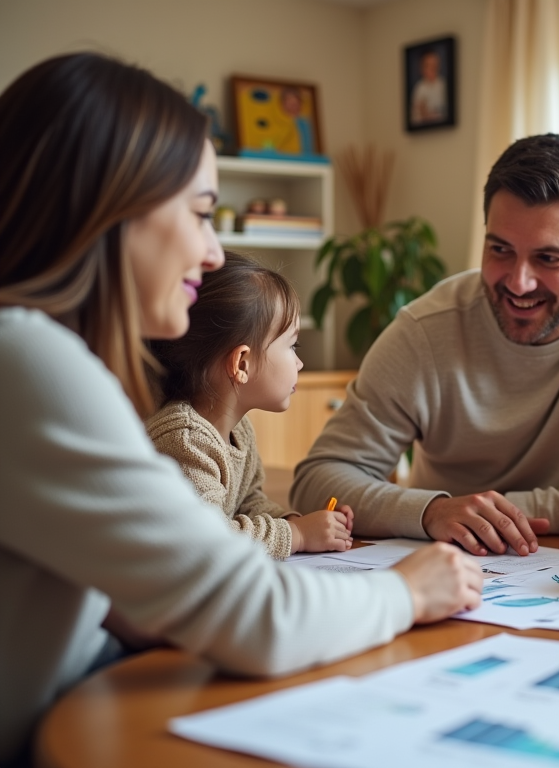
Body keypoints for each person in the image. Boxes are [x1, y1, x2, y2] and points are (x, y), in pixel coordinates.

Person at [0, 52, 481, 766]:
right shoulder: (27, 362)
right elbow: (256, 614)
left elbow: (136, 598)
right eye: (199, 214)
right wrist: (407, 592)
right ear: (112, 210)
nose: (212, 251)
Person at [291, 133, 559, 556]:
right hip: (451, 560)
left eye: (548, 258)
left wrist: (505, 513)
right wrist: (432, 511)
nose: (518, 281)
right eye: (500, 249)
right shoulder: (425, 330)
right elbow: (317, 481)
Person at [147, 252, 354, 560]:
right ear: (242, 363)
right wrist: (296, 536)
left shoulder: (238, 430)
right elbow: (210, 541)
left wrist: (294, 522)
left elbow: (249, 503)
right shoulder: (186, 440)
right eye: (292, 345)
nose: (299, 362)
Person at [410, 48, 446, 125]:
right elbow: (416, 116)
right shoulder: (419, 88)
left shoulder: (443, 84)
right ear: (422, 69)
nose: (432, 69)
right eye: (428, 66)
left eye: (434, 66)